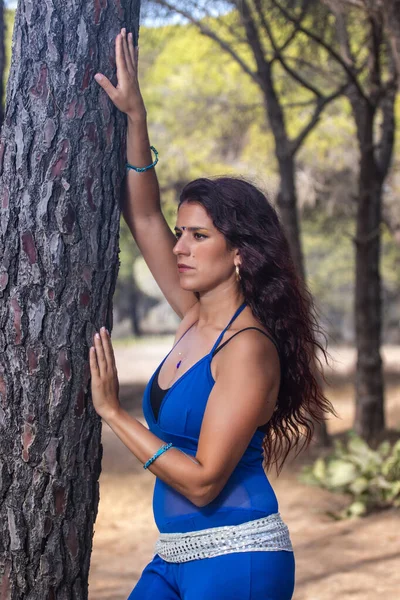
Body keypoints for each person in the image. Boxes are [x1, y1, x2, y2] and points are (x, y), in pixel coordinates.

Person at [90, 28, 333, 600]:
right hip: (172, 559)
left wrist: (113, 412)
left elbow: (202, 483)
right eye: (184, 234)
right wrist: (135, 118)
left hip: (239, 561)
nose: (180, 248)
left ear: (240, 252)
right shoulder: (193, 315)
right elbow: (144, 217)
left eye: (199, 236)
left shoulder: (248, 348)